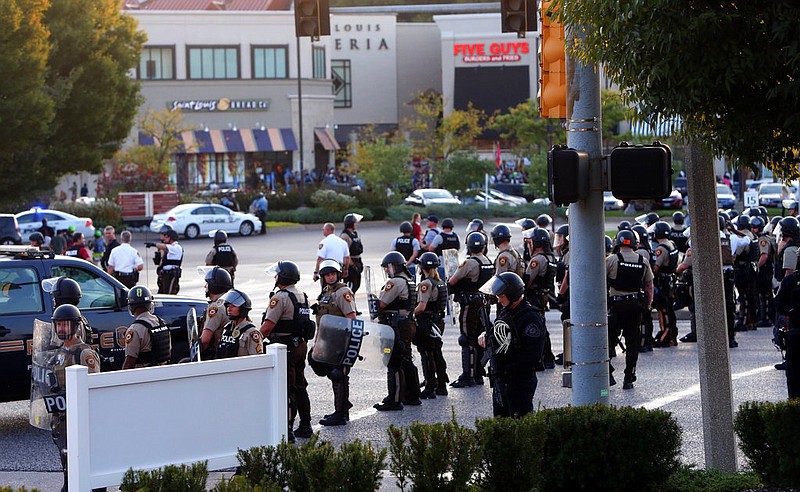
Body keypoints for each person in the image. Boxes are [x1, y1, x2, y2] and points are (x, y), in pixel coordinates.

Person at [35, 304, 100, 492]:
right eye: (59, 325)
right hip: (61, 418)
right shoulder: (57, 353)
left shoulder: (84, 353)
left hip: (79, 419)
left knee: (84, 465)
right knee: (67, 465)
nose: (62, 329)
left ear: (76, 326)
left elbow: (92, 387)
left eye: (66, 325)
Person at [259, 261, 314, 441]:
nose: (275, 277)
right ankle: (305, 424)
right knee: (300, 386)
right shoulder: (301, 295)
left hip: (284, 348)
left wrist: (256, 341)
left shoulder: (280, 298)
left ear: (282, 277)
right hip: (300, 346)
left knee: (286, 389)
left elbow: (267, 326)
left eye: (277, 274)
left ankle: (287, 429)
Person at [478, 272, 544, 417]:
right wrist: (485, 336)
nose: (499, 300)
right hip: (502, 378)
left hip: (519, 380)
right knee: (501, 421)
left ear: (512, 294)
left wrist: (508, 368)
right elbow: (498, 332)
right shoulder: (507, 312)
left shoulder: (530, 317)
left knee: (519, 420)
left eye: (501, 296)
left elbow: (533, 354)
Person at [311, 260, 358, 425]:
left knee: (339, 375)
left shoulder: (342, 292)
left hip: (341, 341)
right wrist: (317, 341)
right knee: (327, 370)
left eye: (332, 274)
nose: (330, 277)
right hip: (328, 340)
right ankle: (343, 405)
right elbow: (321, 321)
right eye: (326, 275)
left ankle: (341, 413)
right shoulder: (325, 293)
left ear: (337, 274)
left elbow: (352, 318)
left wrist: (350, 344)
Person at [606, 230, 654, 389]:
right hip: (635, 306)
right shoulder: (643, 260)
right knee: (632, 343)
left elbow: (600, 282)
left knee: (607, 341)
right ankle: (629, 377)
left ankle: (608, 371)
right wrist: (647, 305)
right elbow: (649, 286)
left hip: (616, 306)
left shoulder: (611, 260)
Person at [373, 251, 421, 410]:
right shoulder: (409, 280)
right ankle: (413, 395)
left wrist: (372, 302)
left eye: (388, 267)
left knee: (394, 361)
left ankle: (395, 399)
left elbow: (381, 305)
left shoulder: (395, 282)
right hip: (408, 323)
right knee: (406, 358)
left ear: (395, 266)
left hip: (397, 326)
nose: (387, 270)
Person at [448, 231, 495, 387]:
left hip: (471, 304)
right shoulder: (488, 261)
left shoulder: (469, 263)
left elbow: (453, 281)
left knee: (467, 339)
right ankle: (479, 373)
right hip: (484, 304)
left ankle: (469, 375)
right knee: (480, 337)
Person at [414, 252, 449, 398]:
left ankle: (430, 386)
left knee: (427, 353)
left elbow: (422, 306)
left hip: (427, 322)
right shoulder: (441, 282)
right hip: (438, 322)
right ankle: (441, 384)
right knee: (437, 352)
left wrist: (411, 314)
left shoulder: (426, 284)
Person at [522, 228, 557, 369]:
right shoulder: (550, 258)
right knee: (541, 326)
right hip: (543, 296)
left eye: (531, 242)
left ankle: (540, 359)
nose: (529, 245)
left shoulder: (537, 259)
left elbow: (527, 282)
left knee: (534, 328)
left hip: (534, 297)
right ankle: (548, 357)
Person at [122, 286, 172, 369]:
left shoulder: (134, 330)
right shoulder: (162, 322)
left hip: (145, 375)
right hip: (164, 371)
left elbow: (129, 362)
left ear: (131, 306)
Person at [650, 222, 679, 347]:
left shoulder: (661, 249)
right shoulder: (671, 244)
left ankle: (665, 335)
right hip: (671, 281)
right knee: (669, 309)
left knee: (663, 310)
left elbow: (655, 268)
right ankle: (672, 334)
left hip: (663, 283)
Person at [774, 268, 800, 398]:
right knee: (793, 373)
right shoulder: (791, 280)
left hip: (794, 332)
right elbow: (779, 303)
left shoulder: (791, 280)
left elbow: (779, 303)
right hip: (795, 332)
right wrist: (791, 312)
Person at [216, 289, 263, 358]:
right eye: (228, 306)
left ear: (242, 309)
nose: (229, 309)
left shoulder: (251, 332)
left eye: (234, 306)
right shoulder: (227, 329)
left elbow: (257, 360)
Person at [199, 267, 233, 359]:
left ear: (213, 285)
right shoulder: (231, 302)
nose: (205, 286)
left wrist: (199, 354)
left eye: (207, 283)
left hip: (218, 355)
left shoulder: (215, 307)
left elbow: (205, 340)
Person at [145, 225, 184, 295]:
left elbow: (165, 247)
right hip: (164, 276)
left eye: (166, 237)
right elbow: (161, 261)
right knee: (162, 294)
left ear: (171, 238)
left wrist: (154, 244)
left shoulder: (176, 247)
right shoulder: (168, 249)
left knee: (169, 296)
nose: (164, 239)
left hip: (171, 275)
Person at [341, 213, 364, 293]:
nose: (356, 224)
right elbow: (345, 253)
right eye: (355, 223)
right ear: (351, 224)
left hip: (358, 261)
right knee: (350, 288)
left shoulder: (355, 234)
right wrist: (352, 265)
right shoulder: (345, 236)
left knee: (357, 284)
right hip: (351, 263)